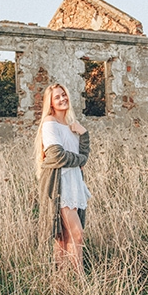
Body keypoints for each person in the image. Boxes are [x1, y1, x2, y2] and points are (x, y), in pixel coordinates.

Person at [34, 83, 91, 274]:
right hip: (60, 183)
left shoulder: (70, 124)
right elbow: (57, 155)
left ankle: (63, 278)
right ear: (50, 103)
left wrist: (84, 134)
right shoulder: (50, 123)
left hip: (74, 181)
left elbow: (83, 156)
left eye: (64, 94)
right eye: (57, 97)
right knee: (76, 233)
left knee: (66, 235)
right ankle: (80, 278)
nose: (62, 99)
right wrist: (80, 160)